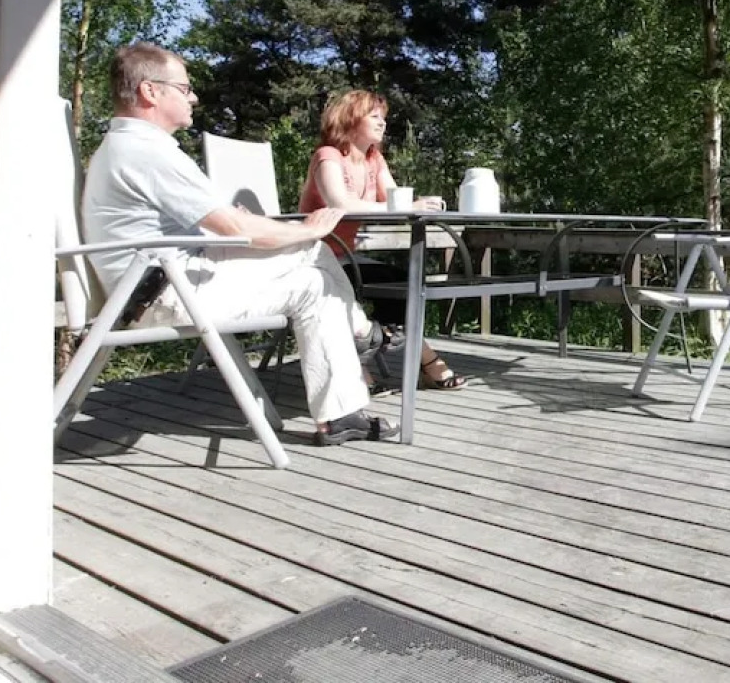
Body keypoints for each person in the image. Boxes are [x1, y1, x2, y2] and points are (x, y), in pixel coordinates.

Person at [82, 43, 398, 446]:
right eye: (184, 87)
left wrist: (301, 235)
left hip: (166, 279)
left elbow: (218, 223)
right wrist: (308, 229)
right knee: (313, 266)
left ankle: (354, 362)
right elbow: (232, 225)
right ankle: (357, 355)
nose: (193, 96)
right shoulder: (146, 152)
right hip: (164, 293)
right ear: (150, 91)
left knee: (313, 263)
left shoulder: (131, 147)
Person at [298, 89, 468, 390]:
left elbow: (396, 200)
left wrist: (421, 203)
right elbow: (340, 203)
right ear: (350, 119)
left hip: (347, 258)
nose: (383, 123)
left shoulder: (374, 160)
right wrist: (407, 206)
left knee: (404, 283)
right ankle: (414, 357)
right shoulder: (328, 156)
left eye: (383, 118)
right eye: (374, 116)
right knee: (380, 287)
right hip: (313, 257)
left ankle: (382, 339)